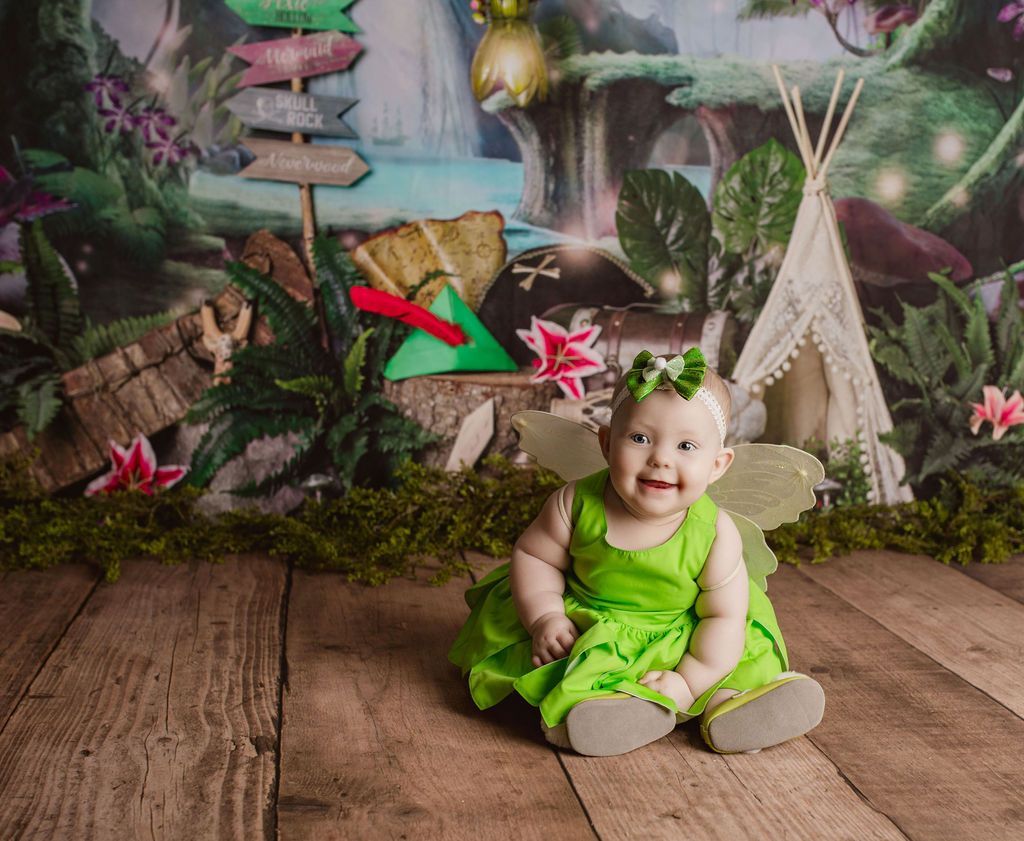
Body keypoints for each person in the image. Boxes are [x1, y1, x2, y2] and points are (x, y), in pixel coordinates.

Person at [449, 348, 825, 756]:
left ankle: (730, 705)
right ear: (607, 443)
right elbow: (536, 558)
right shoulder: (575, 503)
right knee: (578, 662)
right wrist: (545, 616)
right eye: (640, 438)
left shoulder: (716, 534)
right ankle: (606, 713)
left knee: (740, 654)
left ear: (718, 465)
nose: (661, 459)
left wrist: (689, 680)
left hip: (693, 632)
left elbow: (723, 617)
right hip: (596, 628)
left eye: (686, 446)